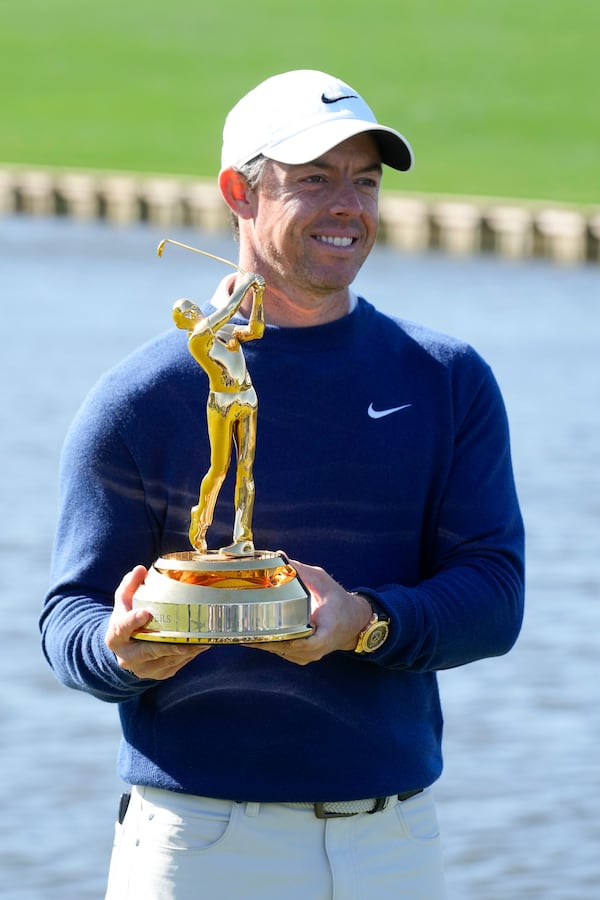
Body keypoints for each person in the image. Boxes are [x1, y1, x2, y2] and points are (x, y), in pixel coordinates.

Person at [40, 69, 525, 899]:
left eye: (364, 181)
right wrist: (122, 650)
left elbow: (494, 594)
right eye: (314, 180)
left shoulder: (447, 379)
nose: (350, 206)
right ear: (239, 190)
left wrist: (365, 624)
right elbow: (68, 618)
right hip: (201, 843)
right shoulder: (140, 398)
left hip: (394, 841)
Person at [171, 270, 265, 555]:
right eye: (188, 311)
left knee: (246, 469)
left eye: (194, 307)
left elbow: (255, 331)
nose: (195, 311)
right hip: (222, 403)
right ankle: (202, 519)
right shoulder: (198, 339)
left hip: (247, 398)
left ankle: (243, 538)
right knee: (220, 468)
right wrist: (247, 283)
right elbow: (229, 308)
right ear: (183, 321)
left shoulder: (222, 331)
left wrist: (259, 296)